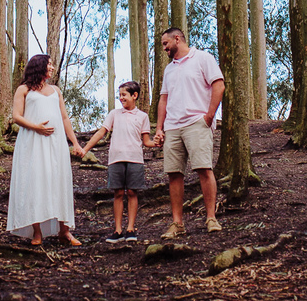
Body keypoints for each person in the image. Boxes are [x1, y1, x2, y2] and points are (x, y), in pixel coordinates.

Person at [153, 28, 224, 238]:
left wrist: (209, 116)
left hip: (197, 122)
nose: (164, 48)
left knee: (204, 168)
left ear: (177, 39)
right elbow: (164, 99)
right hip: (173, 126)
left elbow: (218, 86)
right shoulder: (169, 69)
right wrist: (159, 127)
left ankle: (211, 218)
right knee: (174, 173)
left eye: (165, 44)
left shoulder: (203, 58)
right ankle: (177, 223)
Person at [7, 54, 85, 246]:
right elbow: (16, 116)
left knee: (58, 180)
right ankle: (37, 233)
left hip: (56, 144)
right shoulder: (24, 89)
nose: (52, 67)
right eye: (49, 64)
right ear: (39, 66)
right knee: (35, 182)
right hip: (32, 142)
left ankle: (64, 231)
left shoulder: (56, 90)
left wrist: (75, 143)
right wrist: (36, 127)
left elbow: (65, 118)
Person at [83, 81, 157, 243]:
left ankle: (130, 229)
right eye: (120, 94)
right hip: (116, 159)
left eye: (124, 95)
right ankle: (117, 230)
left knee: (132, 192)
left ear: (134, 95)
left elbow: (146, 141)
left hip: (135, 159)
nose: (121, 98)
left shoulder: (142, 116)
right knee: (117, 193)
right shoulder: (114, 114)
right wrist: (85, 149)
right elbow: (101, 132)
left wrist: (157, 142)